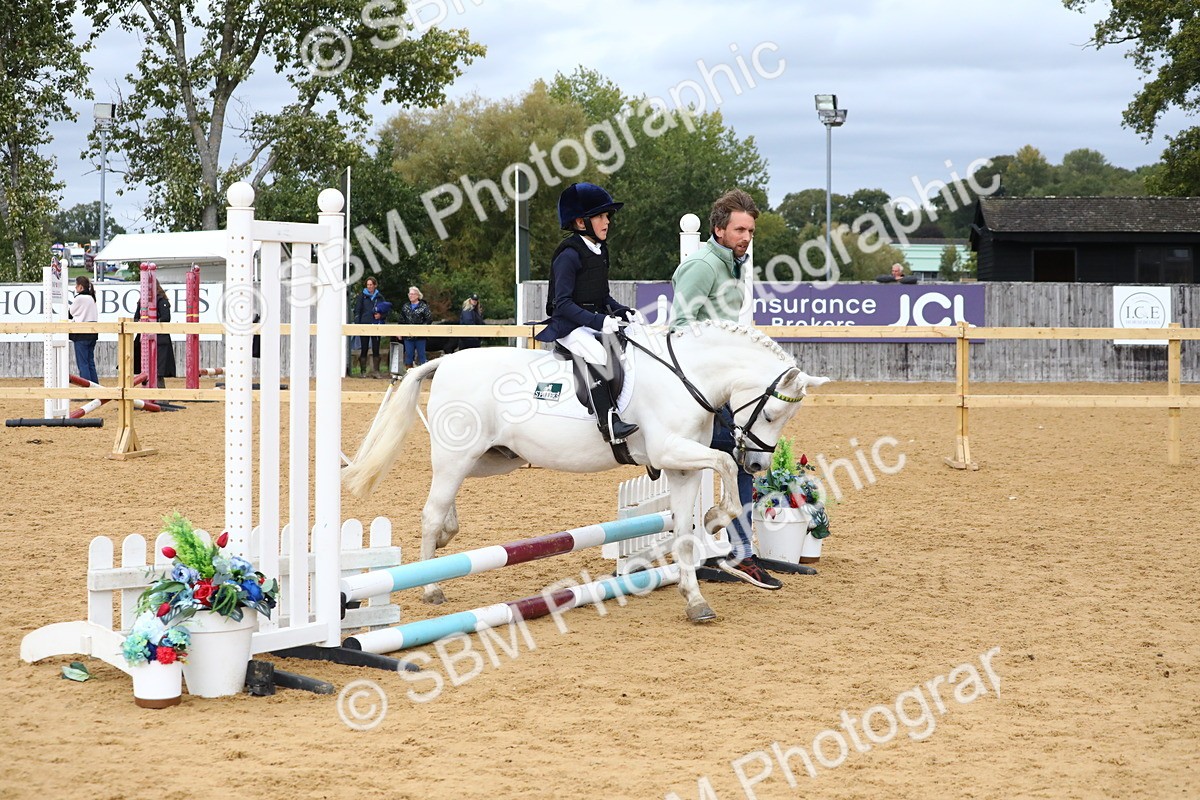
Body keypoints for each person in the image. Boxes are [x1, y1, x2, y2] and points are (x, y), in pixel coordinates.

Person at [670, 188, 782, 590]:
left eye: (750, 230)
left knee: (749, 461)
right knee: (740, 463)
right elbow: (680, 327)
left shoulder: (734, 263)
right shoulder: (702, 265)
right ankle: (740, 552)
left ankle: (742, 551)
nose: (746, 237)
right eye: (739, 229)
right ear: (719, 229)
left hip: (723, 389)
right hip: (701, 392)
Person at [535, 182, 639, 444]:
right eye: (601, 216)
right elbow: (563, 304)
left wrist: (621, 311)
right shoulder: (568, 255)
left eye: (607, 216)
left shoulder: (600, 250)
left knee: (632, 340)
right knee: (597, 353)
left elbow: (601, 296)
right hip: (567, 325)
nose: (607, 222)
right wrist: (600, 320)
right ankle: (608, 423)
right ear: (581, 223)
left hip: (590, 322)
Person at [133, 279, 177, 389]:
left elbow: (166, 318)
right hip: (144, 338)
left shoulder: (162, 300)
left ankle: (161, 397)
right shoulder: (142, 301)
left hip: (160, 339)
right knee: (145, 370)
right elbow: (136, 318)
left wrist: (150, 324)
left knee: (158, 371)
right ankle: (148, 395)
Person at [353, 277, 387, 378]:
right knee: (364, 348)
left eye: (371, 285)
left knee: (376, 348)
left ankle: (376, 371)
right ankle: (363, 371)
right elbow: (357, 311)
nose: (369, 287)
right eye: (368, 285)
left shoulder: (380, 297)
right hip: (364, 325)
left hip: (376, 325)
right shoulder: (361, 297)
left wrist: (381, 316)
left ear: (375, 285)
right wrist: (358, 324)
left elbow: (385, 310)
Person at [68, 276, 99, 384]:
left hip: (81, 334)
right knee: (90, 362)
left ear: (80, 287)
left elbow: (70, 313)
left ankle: (87, 390)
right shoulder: (91, 298)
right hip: (92, 333)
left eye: (76, 285)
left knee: (83, 364)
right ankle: (95, 388)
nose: (75, 287)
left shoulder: (79, 298)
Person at [399, 286, 433, 368]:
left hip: (420, 336)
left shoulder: (424, 306)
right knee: (409, 355)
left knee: (422, 355)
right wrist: (400, 332)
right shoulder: (405, 306)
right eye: (410, 294)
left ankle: (424, 374)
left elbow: (429, 319)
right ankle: (408, 373)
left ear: (418, 295)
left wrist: (421, 329)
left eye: (413, 294)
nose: (411, 296)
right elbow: (401, 320)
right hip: (408, 336)